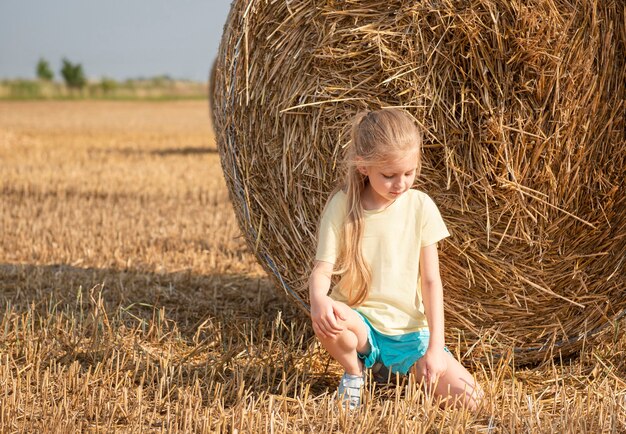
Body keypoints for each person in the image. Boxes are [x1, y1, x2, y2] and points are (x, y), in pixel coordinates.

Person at [309, 108, 482, 410]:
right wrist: (318, 300)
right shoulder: (341, 206)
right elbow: (321, 270)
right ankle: (354, 372)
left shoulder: (421, 206)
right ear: (363, 166)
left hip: (410, 332)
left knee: (472, 400)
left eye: (409, 173)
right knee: (331, 314)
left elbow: (431, 282)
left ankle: (395, 371)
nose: (400, 183)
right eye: (388, 176)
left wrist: (435, 349)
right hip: (362, 325)